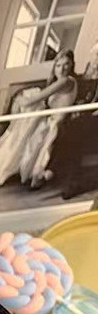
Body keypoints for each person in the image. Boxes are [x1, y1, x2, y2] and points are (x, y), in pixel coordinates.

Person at [0, 49, 77, 188]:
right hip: (52, 119)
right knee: (32, 108)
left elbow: (33, 100)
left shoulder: (65, 81)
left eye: (66, 64)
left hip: (56, 123)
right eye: (58, 65)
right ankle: (5, 139)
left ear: (72, 65)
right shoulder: (64, 81)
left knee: (31, 103)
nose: (61, 69)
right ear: (54, 67)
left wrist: (18, 99)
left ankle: (4, 139)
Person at [50, 42, 98, 199]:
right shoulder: (81, 78)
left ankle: (59, 173)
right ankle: (67, 180)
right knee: (72, 127)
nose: (97, 60)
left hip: (92, 119)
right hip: (78, 118)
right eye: (96, 55)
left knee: (76, 127)